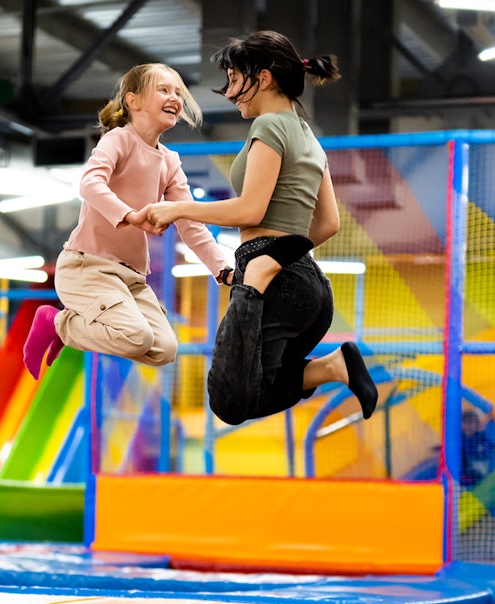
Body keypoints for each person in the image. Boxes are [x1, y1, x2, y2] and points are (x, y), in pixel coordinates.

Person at [138, 30, 379, 425]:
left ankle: (268, 283)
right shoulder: (310, 139)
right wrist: (288, 255)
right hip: (311, 288)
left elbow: (252, 210)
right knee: (254, 391)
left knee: (229, 399)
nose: (230, 93)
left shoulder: (268, 127)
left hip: (268, 277)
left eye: (235, 80)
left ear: (263, 78)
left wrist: (177, 209)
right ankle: (334, 366)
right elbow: (328, 223)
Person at [22, 63, 233, 380]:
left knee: (164, 348)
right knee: (138, 336)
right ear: (133, 101)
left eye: (177, 92)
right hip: (87, 267)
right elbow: (90, 184)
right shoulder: (118, 140)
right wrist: (130, 215)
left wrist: (222, 268)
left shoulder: (170, 161)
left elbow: (189, 220)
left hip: (130, 279)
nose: (174, 97)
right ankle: (57, 324)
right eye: (163, 89)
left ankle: (63, 327)